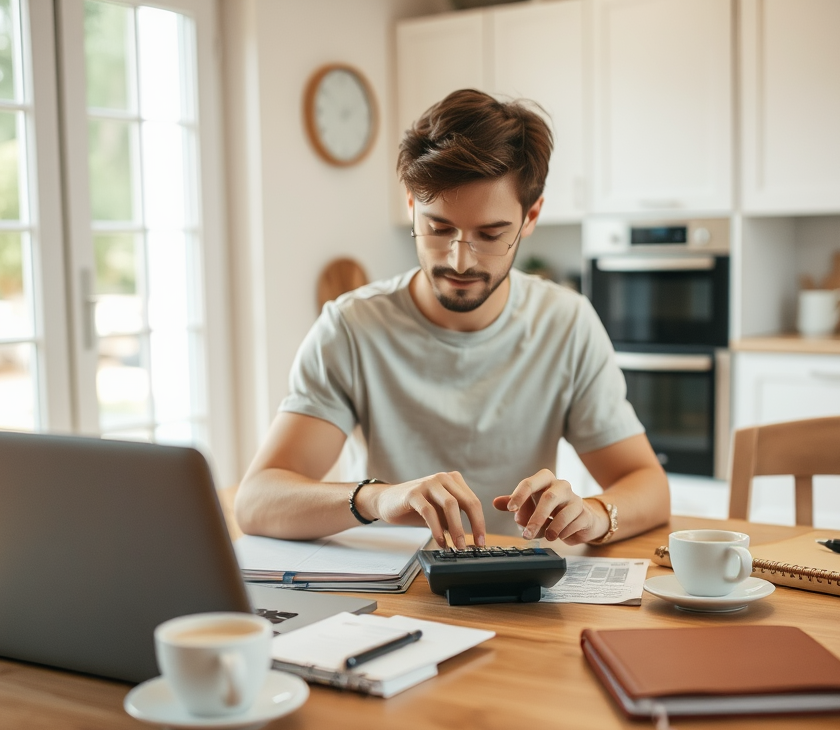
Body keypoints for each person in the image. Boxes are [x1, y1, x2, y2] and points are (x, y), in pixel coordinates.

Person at [236, 89, 670, 549]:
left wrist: (596, 514)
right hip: (399, 594)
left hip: (520, 591)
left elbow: (648, 484)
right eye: (439, 228)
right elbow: (258, 500)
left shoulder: (566, 323)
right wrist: (379, 499)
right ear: (410, 204)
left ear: (531, 216)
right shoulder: (351, 327)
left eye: (490, 234)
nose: (459, 261)